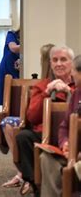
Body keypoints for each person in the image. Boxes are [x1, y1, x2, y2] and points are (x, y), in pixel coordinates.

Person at [15, 45, 75, 195]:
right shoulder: (42, 86)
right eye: (55, 60)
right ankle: (36, 184)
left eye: (63, 59)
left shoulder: (78, 84)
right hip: (45, 135)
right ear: (50, 63)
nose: (59, 64)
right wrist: (47, 92)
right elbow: (32, 117)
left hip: (72, 135)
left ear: (72, 63)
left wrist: (69, 92)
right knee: (23, 137)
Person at [0, 43, 54, 188]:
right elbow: (32, 114)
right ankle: (22, 171)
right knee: (11, 125)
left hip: (56, 127)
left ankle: (25, 173)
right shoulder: (42, 85)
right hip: (38, 125)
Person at [39, 54, 81, 197]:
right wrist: (65, 143)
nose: (72, 74)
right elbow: (64, 125)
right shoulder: (76, 94)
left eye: (74, 70)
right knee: (46, 158)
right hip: (71, 150)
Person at [0, 29, 21, 105]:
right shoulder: (12, 34)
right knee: (6, 99)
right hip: (6, 70)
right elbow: (13, 48)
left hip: (15, 71)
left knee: (15, 99)